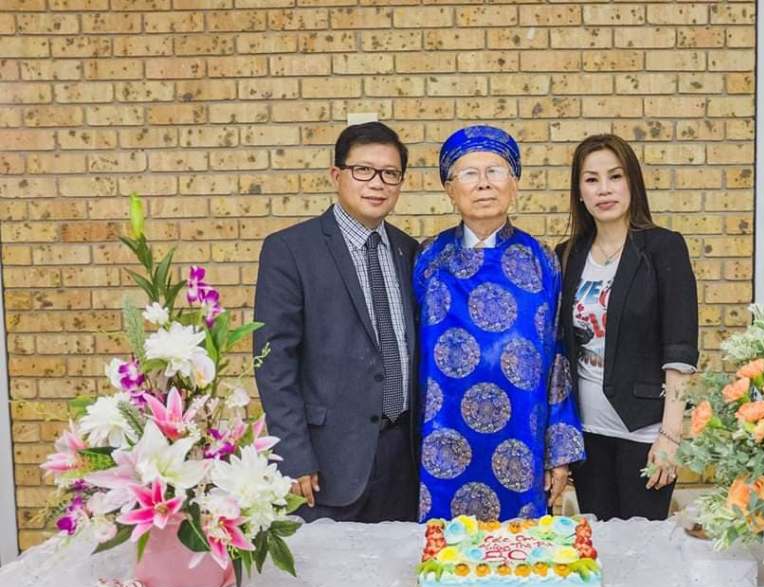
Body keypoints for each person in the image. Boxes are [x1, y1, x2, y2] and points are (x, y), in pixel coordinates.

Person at [414, 125, 585, 522]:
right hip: (442, 439)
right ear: (449, 189)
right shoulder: (428, 258)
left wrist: (559, 453)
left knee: (521, 549)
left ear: (515, 184)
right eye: (469, 173)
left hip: (521, 440)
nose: (483, 184)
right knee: (446, 547)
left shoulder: (542, 259)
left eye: (495, 171)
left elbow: (559, 355)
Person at [254, 122, 419, 523]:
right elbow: (274, 363)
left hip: (403, 459)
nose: (377, 183)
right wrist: (293, 455)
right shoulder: (290, 250)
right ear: (336, 175)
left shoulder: (409, 250)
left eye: (390, 173)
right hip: (326, 462)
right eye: (363, 170)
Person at [556, 134, 699, 521]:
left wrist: (670, 434)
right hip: (587, 433)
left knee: (644, 545)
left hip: (645, 431)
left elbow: (680, 348)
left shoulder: (663, 248)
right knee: (598, 540)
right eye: (591, 180)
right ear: (579, 192)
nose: (604, 189)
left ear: (632, 183)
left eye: (615, 177)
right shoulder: (568, 254)